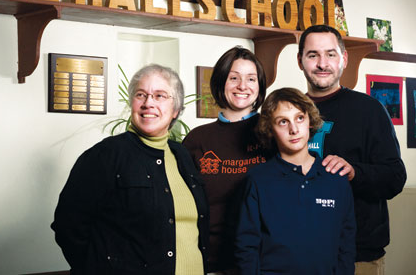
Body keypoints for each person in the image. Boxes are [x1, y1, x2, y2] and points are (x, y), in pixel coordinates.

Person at [51, 64, 209, 275]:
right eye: (141, 95)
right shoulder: (106, 155)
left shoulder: (182, 155)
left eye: (160, 95)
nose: (148, 103)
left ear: (176, 110)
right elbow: (68, 226)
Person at [297, 24, 407, 274]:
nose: (322, 63)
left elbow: (395, 177)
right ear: (300, 60)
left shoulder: (369, 110)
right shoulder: (289, 113)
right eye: (313, 55)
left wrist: (354, 172)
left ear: (344, 59)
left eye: (331, 54)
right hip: (299, 253)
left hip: (359, 255)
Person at [234, 87, 356, 275]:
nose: (293, 129)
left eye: (299, 118)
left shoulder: (335, 178)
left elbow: (346, 244)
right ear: (270, 129)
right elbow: (246, 247)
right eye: (283, 122)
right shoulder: (258, 180)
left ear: (309, 121)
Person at [183, 46, 269, 274]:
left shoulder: (274, 133)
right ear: (221, 82)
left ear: (260, 85)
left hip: (265, 263)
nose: (243, 86)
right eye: (234, 78)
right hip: (210, 263)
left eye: (251, 78)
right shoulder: (196, 139)